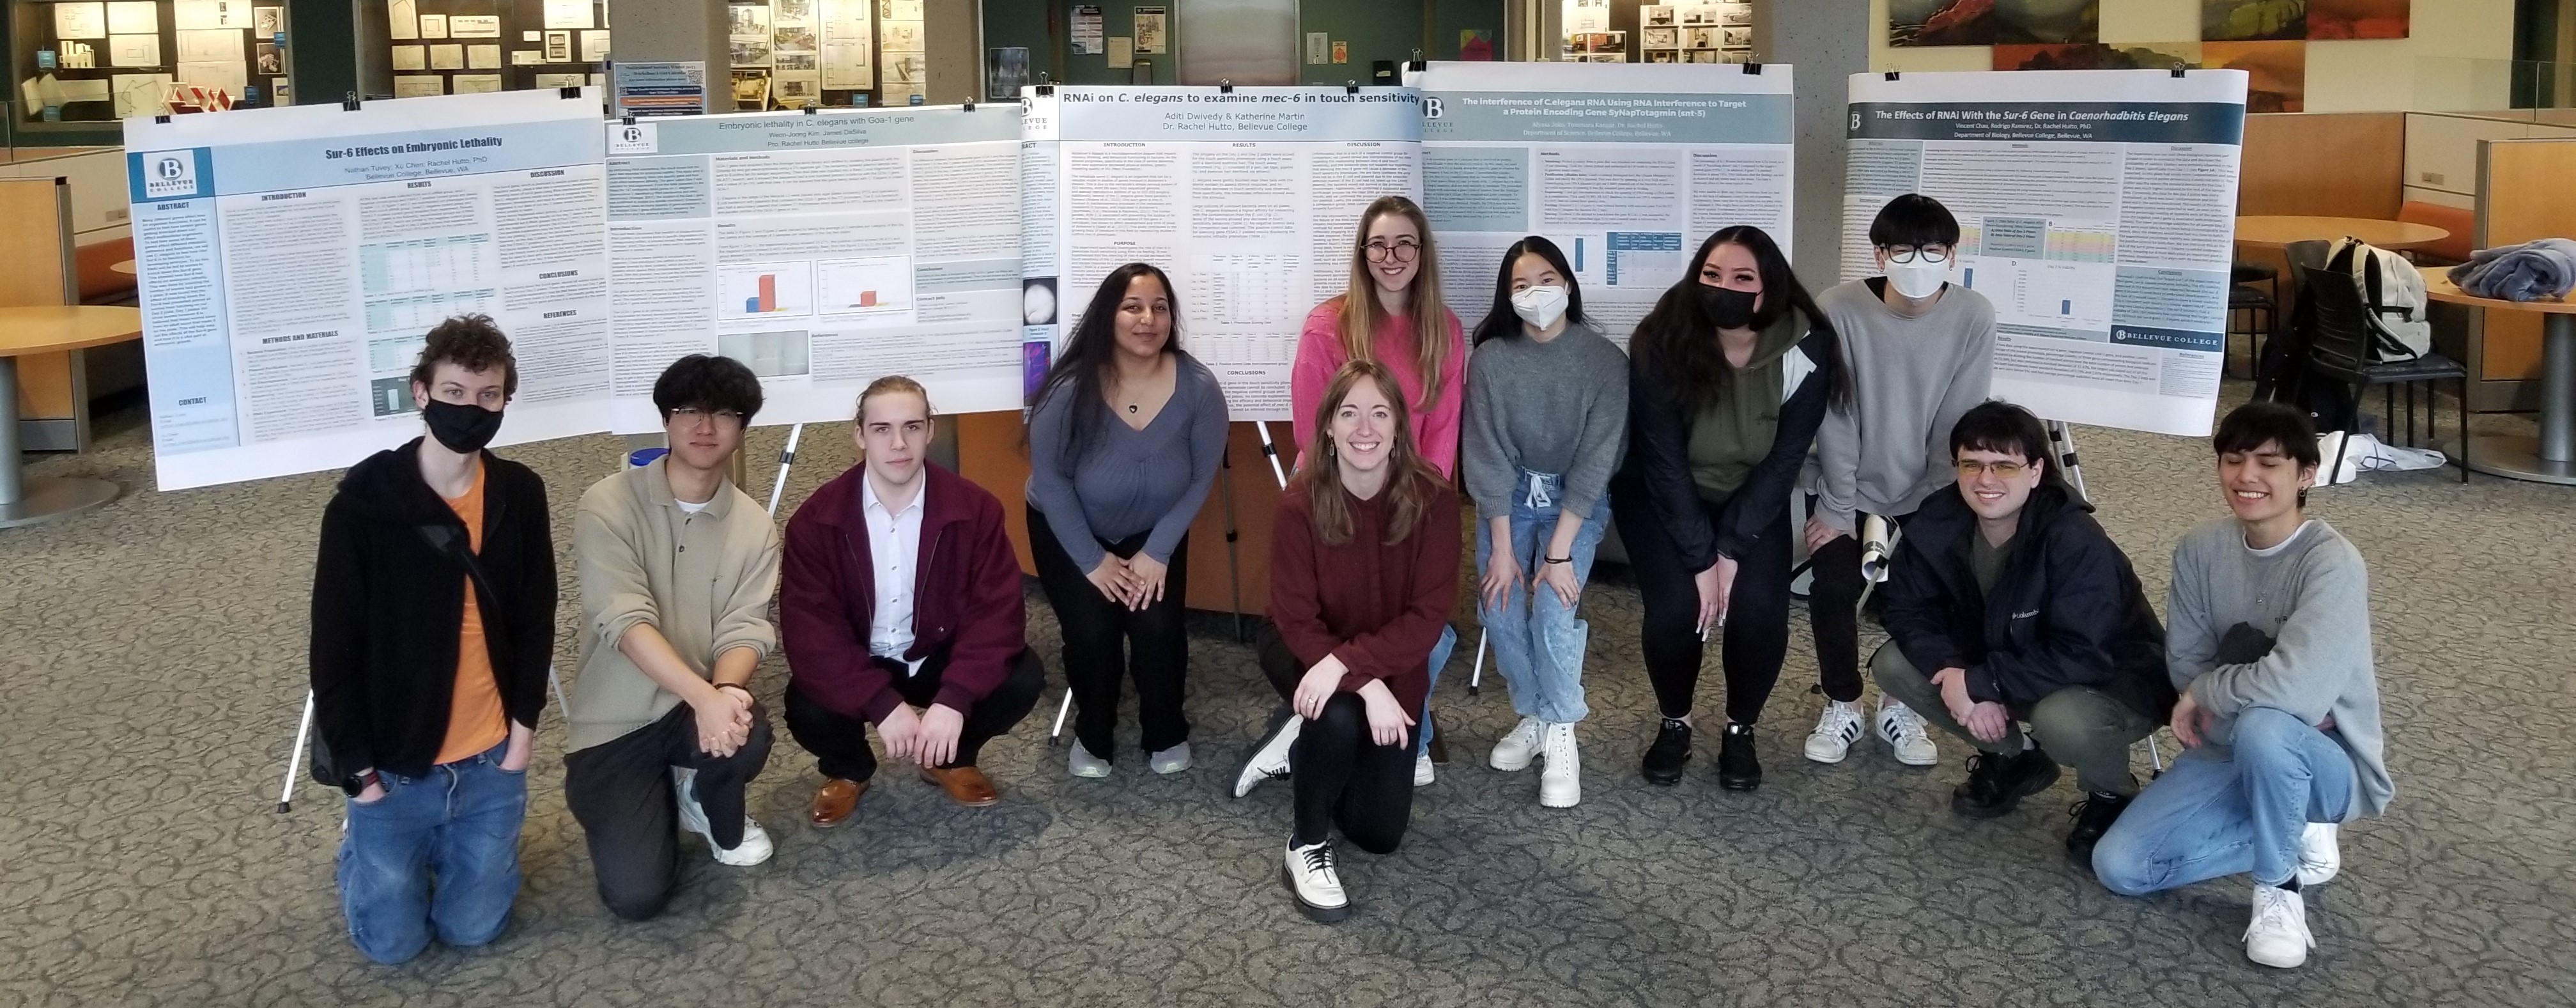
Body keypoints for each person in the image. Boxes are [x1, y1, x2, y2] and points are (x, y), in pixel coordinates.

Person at [2092, 402, 2391, 970]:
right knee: (2122, 867)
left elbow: (2294, 694)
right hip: (2227, 743)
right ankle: (2289, 824)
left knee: (2270, 726)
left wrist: (2212, 691)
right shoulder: (2200, 549)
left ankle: (2279, 888)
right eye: (2233, 461)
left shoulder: (2333, 564)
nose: (2246, 477)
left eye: (2268, 463)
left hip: (2328, 762)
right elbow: (2184, 665)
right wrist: (2234, 691)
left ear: (2305, 474)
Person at [309, 315, 555, 963]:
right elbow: (333, 649)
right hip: (395, 763)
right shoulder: (363, 503)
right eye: (454, 392)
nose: (470, 409)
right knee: (392, 943)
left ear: (504, 400)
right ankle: (361, 846)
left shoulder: (520, 494)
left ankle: (445, 843)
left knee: (474, 927)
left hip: (491, 757)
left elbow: (536, 616)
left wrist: (522, 732)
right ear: (420, 392)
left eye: (488, 395)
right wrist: (360, 776)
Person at [1870, 401, 2173, 862]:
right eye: (1971, 463)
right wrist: (1953, 670)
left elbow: (2082, 653)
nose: (1984, 480)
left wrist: (1980, 682)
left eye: (2004, 465)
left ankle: (2111, 796)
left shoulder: (2075, 539)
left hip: (2110, 680)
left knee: (2061, 720)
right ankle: (2017, 757)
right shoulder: (1937, 519)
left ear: (2035, 471)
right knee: (1895, 663)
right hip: (2005, 658)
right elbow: (1907, 609)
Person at [1610, 226, 1844, 791]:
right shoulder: (1658, 339)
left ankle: (1741, 728)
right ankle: (1676, 721)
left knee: (1759, 608)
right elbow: (1661, 461)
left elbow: (1785, 458)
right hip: (1661, 492)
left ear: (1771, 286)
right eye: (1712, 275)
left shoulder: (1808, 345)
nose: (1724, 288)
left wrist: (1731, 551)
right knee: (1675, 607)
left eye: (1743, 278)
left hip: (1749, 492)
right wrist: (1700, 559)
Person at [562, 353, 780, 921]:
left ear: (742, 427)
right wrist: (704, 697)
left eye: (723, 413)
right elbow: (624, 620)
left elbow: (745, 626)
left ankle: (698, 791)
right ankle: (657, 791)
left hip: (693, 710)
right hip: (616, 718)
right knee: (637, 896)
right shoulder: (606, 503)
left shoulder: (755, 525)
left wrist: (725, 696)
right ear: (665, 419)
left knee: (749, 729)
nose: (704, 426)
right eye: (688, 410)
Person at [780, 375, 1045, 825]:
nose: (899, 443)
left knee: (1020, 678)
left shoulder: (975, 509)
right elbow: (812, 632)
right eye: (882, 429)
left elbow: (996, 615)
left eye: (912, 427)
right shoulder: (815, 520)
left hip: (938, 651)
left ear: (931, 430)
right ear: (859, 435)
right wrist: (879, 702)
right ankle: (849, 768)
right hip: (861, 655)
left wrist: (955, 699)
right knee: (807, 705)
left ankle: (948, 756)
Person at [1256, 360, 1462, 921]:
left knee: (1379, 834)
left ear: (1400, 425)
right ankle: (1305, 843)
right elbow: (1295, 621)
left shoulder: (1435, 501)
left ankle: (1304, 748)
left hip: (1392, 666)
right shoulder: (1299, 504)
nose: (1364, 428)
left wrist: (1355, 668)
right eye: (1349, 413)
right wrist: (1363, 683)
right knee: (1339, 714)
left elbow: (1427, 619)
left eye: (1379, 412)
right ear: (1327, 427)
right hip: (1301, 649)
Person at [1805, 193, 2000, 768]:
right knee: (1834, 589)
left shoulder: (1974, 314)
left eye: (1932, 249)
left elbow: (1958, 419)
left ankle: (1902, 704)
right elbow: (1834, 415)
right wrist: (1838, 507)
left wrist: (1937, 509)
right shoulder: (1837, 307)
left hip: (1930, 488)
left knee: (1916, 600)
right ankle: (1842, 701)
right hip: (1848, 482)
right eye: (1903, 249)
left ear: (1953, 254)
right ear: (1879, 253)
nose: (1918, 261)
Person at [1284, 194, 1467, 786]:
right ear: (1363, 253)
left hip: (1412, 499)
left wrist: (1420, 512)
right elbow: (1314, 433)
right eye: (1378, 244)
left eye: (1404, 244)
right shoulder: (1326, 324)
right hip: (1337, 494)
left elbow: (1442, 434)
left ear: (1422, 252)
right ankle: (1363, 709)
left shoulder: (1445, 329)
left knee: (1424, 625)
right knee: (1354, 616)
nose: (1391, 256)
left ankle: (1398, 713)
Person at [1026, 264, 1228, 778]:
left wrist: (1157, 551)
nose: (1148, 318)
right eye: (1132, 306)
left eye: (1159, 307)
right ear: (1107, 316)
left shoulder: (1199, 388)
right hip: (1070, 527)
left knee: (1157, 626)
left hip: (1152, 530)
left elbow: (1201, 478)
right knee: (1092, 632)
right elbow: (1050, 482)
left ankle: (1165, 729)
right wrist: (1093, 562)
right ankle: (1093, 735)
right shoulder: (1068, 389)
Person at [1461, 235, 1627, 808]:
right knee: (1500, 606)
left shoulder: (1605, 361)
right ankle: (1532, 712)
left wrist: (1557, 554)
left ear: (1569, 284)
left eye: (1547, 279)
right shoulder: (1489, 359)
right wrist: (1503, 549)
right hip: (1506, 499)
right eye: (1520, 285)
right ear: (1507, 298)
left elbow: (1597, 461)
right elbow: (1484, 455)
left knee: (1555, 612)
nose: (1536, 293)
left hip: (1572, 503)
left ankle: (1561, 727)